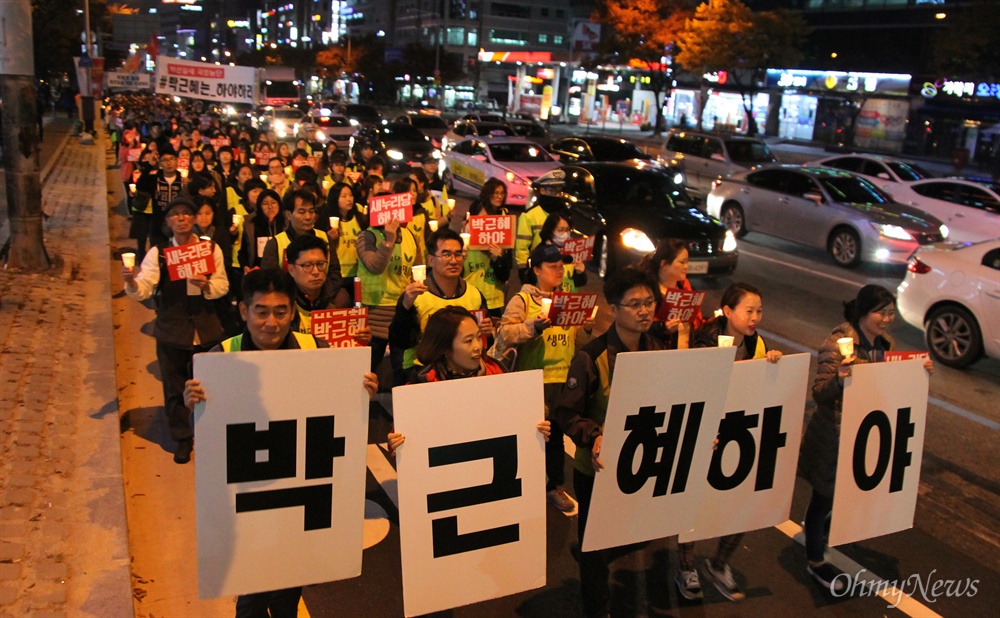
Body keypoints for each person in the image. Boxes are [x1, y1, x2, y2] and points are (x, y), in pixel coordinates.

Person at [182, 268, 379, 618]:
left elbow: (337, 407)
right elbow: (207, 437)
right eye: (261, 311)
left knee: (290, 582)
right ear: (244, 311)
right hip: (247, 492)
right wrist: (193, 405)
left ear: (293, 312)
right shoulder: (219, 359)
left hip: (297, 485)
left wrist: (360, 390)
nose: (271, 323)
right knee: (253, 590)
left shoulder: (314, 349)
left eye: (281, 311)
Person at [798, 284, 934, 595]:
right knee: (823, 497)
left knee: (842, 494)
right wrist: (839, 379)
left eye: (890, 313)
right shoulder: (837, 343)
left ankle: (819, 534)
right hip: (834, 434)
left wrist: (919, 371)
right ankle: (815, 561)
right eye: (880, 313)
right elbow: (819, 392)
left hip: (863, 434)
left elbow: (888, 385)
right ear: (862, 312)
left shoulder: (884, 343)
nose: (887, 320)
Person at [552, 266, 664, 618]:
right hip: (597, 471)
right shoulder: (591, 356)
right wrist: (596, 435)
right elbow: (566, 413)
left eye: (648, 302)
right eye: (634, 304)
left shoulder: (657, 349)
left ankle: (590, 553)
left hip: (643, 463)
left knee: (650, 527)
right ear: (614, 310)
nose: (644, 310)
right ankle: (597, 608)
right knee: (596, 544)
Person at [675, 283, 782, 602]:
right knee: (694, 503)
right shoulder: (703, 339)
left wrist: (773, 363)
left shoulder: (758, 344)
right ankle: (686, 567)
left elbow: (764, 390)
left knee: (739, 499)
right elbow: (689, 382)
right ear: (728, 311)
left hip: (740, 433)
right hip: (707, 433)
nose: (754, 318)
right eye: (748, 310)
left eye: (759, 311)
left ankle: (719, 563)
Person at [122, 197, 230, 464]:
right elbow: (145, 286)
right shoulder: (158, 254)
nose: (181, 218)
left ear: (195, 219)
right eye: (174, 215)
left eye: (186, 214)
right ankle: (182, 438)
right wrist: (133, 282)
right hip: (173, 330)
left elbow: (223, 285)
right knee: (175, 387)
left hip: (206, 329)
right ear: (167, 222)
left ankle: (212, 435)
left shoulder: (210, 249)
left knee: (211, 386)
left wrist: (206, 286)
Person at [494, 244, 594, 513]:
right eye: (552, 266)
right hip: (533, 381)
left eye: (562, 266)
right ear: (536, 270)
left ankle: (554, 486)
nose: (559, 270)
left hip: (563, 380)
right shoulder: (523, 301)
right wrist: (533, 326)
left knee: (557, 436)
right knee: (532, 435)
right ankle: (520, 484)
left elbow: (577, 341)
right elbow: (505, 334)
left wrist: (585, 327)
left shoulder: (568, 300)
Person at [386, 306, 550, 453]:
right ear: (445, 349)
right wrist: (396, 442)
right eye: (468, 341)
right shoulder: (421, 384)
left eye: (478, 337)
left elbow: (523, 418)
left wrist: (537, 427)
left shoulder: (498, 374)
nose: (478, 346)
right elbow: (404, 435)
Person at [388, 228, 492, 386]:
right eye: (446, 254)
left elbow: (483, 343)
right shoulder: (415, 295)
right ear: (431, 260)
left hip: (465, 375)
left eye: (458, 254)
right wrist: (405, 307)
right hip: (423, 374)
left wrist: (487, 332)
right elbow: (400, 341)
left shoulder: (474, 295)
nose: (453, 260)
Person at [356, 213, 422, 374]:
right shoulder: (367, 236)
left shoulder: (410, 236)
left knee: (402, 367)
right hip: (375, 313)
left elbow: (418, 269)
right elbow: (375, 266)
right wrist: (388, 240)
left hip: (401, 312)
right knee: (366, 368)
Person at [639, 238, 704, 350]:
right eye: (682, 262)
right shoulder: (647, 291)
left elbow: (698, 321)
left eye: (687, 262)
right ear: (664, 264)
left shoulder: (685, 287)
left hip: (687, 355)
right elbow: (636, 326)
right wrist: (662, 328)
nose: (686, 267)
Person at [464, 178, 514, 317]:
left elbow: (506, 271)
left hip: (493, 297)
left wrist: (498, 258)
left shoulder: (504, 221)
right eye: (495, 193)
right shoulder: (465, 237)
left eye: (502, 193)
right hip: (471, 295)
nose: (499, 196)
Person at [284, 234, 353, 335]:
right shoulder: (282, 300)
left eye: (321, 264)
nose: (316, 272)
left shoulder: (340, 299)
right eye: (307, 266)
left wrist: (361, 338)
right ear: (291, 270)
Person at [260, 190, 337, 276]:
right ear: (288, 215)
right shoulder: (275, 243)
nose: (308, 217)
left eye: (311, 211)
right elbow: (269, 278)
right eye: (302, 212)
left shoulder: (325, 238)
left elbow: (334, 273)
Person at [133, 147, 183, 256]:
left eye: (171, 159)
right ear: (160, 163)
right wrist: (149, 166)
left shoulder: (183, 180)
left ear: (177, 161)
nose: (168, 163)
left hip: (179, 225)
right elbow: (140, 186)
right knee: (158, 256)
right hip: (157, 224)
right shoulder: (154, 179)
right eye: (164, 160)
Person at [515, 175, 566, 274]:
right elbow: (522, 248)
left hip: (561, 267)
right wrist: (524, 270)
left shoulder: (565, 214)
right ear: (542, 191)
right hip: (540, 269)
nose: (557, 195)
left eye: (559, 192)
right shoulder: (529, 216)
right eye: (552, 191)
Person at [326, 182, 367, 299]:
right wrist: (330, 239)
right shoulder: (327, 220)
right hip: (339, 274)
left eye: (350, 195)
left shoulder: (359, 218)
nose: (349, 199)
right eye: (343, 196)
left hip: (358, 272)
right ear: (335, 199)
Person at [538, 211, 587, 293]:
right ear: (550, 231)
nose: (565, 234)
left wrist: (580, 272)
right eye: (560, 230)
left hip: (568, 300)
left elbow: (579, 282)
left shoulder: (572, 251)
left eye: (567, 230)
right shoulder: (541, 252)